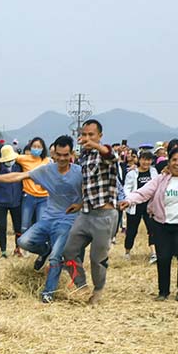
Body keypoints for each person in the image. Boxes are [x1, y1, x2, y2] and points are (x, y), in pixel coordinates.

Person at [0, 136, 83, 302]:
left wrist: (80, 204)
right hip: (48, 218)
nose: (62, 158)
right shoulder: (47, 170)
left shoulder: (79, 172)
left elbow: (91, 191)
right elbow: (18, 176)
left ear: (71, 153)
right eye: (59, 154)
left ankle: (48, 292)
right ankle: (44, 251)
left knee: (57, 256)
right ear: (54, 153)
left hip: (67, 221)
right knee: (24, 242)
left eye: (66, 155)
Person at [120, 147, 178, 301]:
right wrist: (129, 200)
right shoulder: (161, 179)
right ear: (169, 161)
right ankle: (163, 292)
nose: (177, 163)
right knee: (163, 257)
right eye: (174, 160)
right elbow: (144, 192)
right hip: (162, 224)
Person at [61, 120, 118, 305]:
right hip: (86, 213)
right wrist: (79, 204)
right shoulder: (83, 156)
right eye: (84, 134)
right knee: (69, 251)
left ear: (100, 136)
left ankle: (98, 290)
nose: (87, 138)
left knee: (97, 258)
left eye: (91, 135)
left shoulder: (105, 153)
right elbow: (89, 186)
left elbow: (112, 156)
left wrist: (96, 146)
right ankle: (81, 286)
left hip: (105, 215)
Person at [122, 151, 158, 262]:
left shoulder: (154, 172)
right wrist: (131, 199)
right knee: (132, 230)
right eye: (144, 159)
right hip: (135, 206)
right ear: (139, 160)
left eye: (148, 160)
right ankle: (127, 252)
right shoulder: (132, 174)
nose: (146, 162)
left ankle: (154, 253)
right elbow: (126, 189)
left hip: (150, 206)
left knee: (152, 229)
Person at [0, 145, 24, 258]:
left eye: (11, 159)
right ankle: (3, 250)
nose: (10, 162)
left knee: (18, 227)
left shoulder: (19, 167)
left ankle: (18, 248)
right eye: (7, 160)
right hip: (0, 202)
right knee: (2, 227)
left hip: (16, 202)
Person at [15, 137, 50, 232]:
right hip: (28, 196)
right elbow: (9, 157)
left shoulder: (47, 161)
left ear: (43, 149)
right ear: (30, 147)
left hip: (44, 197)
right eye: (34, 146)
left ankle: (39, 246)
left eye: (39, 147)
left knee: (40, 225)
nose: (36, 148)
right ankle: (25, 245)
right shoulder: (24, 159)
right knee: (25, 226)